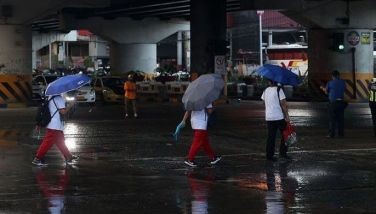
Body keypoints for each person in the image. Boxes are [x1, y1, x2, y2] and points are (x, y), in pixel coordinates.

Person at [32, 95, 78, 166]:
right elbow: (63, 112)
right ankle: (37, 158)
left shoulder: (51, 97)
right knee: (47, 143)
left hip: (54, 125)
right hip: (55, 126)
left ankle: (69, 157)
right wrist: (70, 105)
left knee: (60, 142)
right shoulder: (59, 98)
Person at [261, 80, 291, 161]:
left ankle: (269, 155)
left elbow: (263, 102)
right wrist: (287, 116)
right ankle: (283, 154)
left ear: (269, 82)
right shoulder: (279, 90)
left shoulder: (265, 90)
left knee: (271, 136)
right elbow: (283, 104)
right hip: (278, 117)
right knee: (285, 135)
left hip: (269, 117)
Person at [320, 70, 346, 138]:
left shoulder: (330, 82)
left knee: (332, 119)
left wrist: (322, 88)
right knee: (341, 119)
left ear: (332, 76)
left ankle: (331, 134)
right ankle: (341, 134)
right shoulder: (343, 82)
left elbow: (326, 92)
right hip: (341, 103)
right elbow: (343, 90)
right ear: (339, 75)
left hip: (333, 103)